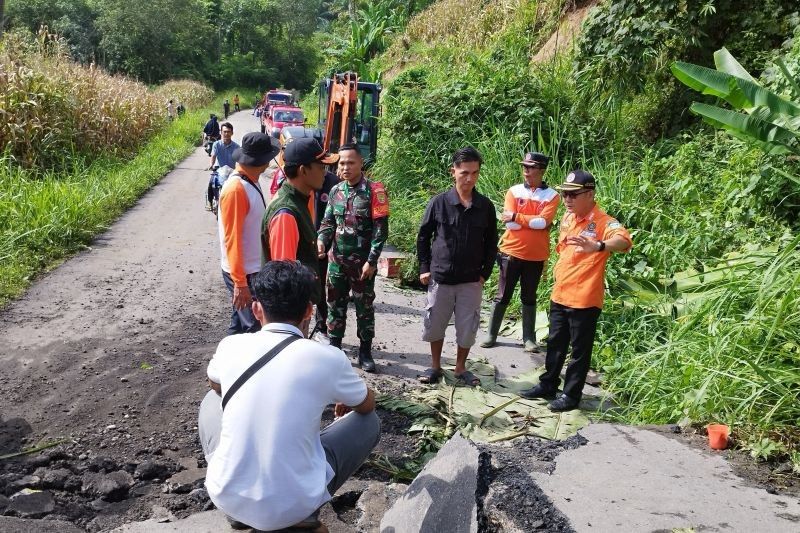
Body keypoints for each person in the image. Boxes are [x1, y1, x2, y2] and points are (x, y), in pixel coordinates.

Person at [199, 260, 380, 532]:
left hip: (227, 495)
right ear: (308, 310)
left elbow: (215, 385)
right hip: (294, 504)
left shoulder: (232, 345)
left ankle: (240, 507)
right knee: (371, 422)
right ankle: (302, 518)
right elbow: (367, 406)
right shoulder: (327, 357)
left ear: (257, 309)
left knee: (211, 400)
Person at [519, 170, 632, 411]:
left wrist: (600, 245)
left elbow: (624, 242)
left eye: (573, 195)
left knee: (579, 351)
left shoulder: (604, 222)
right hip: (561, 292)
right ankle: (548, 384)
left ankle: (571, 395)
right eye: (564, 194)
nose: (567, 200)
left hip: (585, 297)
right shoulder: (568, 218)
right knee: (555, 343)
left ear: (589, 194)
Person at [416, 147, 498, 387]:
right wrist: (424, 267)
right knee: (435, 324)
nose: (469, 178)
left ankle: (461, 367)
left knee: (467, 327)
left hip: (471, 280)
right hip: (441, 276)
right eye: (464, 173)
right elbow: (423, 236)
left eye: (474, 173)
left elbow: (492, 242)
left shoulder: (485, 206)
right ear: (453, 172)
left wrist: (484, 273)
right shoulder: (439, 203)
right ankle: (435, 366)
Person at [317, 145, 389, 372]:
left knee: (364, 308)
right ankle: (335, 348)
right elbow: (328, 223)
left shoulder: (374, 191)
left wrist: (372, 261)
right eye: (342, 163)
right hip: (337, 262)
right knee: (334, 306)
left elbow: (380, 231)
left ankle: (365, 351)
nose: (346, 167)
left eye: (351, 163)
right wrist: (321, 240)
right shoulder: (336, 191)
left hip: (362, 266)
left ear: (361, 164)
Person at [480, 152, 559, 352]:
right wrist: (528, 220)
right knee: (502, 294)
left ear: (541, 170)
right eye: (524, 166)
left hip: (536, 255)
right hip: (511, 251)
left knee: (529, 296)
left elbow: (543, 223)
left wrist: (517, 215)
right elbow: (512, 225)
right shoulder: (513, 191)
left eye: (531, 167)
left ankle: (529, 338)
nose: (526, 170)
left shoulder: (552, 196)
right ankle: (491, 334)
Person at [262, 138, 339, 335]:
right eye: (321, 166)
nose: (325, 172)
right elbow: (283, 280)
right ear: (304, 170)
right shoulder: (287, 213)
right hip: (289, 317)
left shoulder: (300, 200)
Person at [218, 132, 279, 335]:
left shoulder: (250, 181)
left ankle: (227, 362)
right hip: (244, 274)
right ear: (260, 161)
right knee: (254, 327)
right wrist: (240, 283)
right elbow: (232, 239)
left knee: (239, 325)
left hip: (252, 270)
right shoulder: (236, 189)